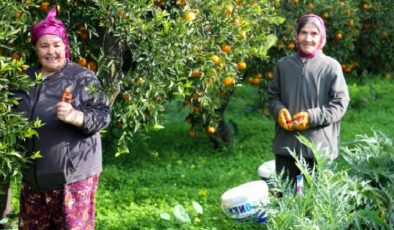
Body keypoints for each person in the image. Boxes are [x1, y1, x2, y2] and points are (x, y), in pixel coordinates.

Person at [14, 8, 111, 229]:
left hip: (72, 180)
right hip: (33, 182)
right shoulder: (24, 80)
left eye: (56, 45)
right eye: (44, 45)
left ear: (65, 46)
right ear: (35, 49)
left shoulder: (82, 77)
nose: (51, 51)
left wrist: (76, 116)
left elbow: (103, 115)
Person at [268, 14, 350, 183]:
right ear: (296, 36)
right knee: (286, 200)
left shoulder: (331, 67)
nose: (308, 39)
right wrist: (279, 111)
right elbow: (273, 96)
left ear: (322, 37)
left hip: (319, 150)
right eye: (303, 33)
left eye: (314, 34)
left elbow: (340, 104)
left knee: (317, 204)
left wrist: (311, 117)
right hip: (287, 148)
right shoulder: (283, 65)